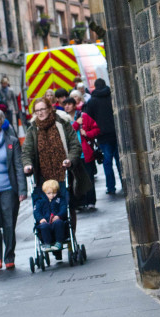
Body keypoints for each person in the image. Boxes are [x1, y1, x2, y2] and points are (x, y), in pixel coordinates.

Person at [21, 98, 92, 226]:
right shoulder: (33, 130)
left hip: (63, 174)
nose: (40, 113)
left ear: (49, 109)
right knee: (46, 207)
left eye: (42, 109)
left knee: (67, 206)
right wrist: (27, 164)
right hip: (44, 178)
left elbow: (75, 145)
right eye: (37, 111)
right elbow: (27, 151)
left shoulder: (62, 124)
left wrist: (69, 160)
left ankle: (70, 237)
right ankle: (52, 236)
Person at [0, 106, 26, 270]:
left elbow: (18, 167)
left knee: (8, 223)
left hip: (8, 188)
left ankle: (9, 257)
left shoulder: (11, 141)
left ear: (2, 121)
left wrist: (22, 190)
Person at [83, 78, 122, 195]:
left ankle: (111, 187)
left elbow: (89, 119)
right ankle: (125, 183)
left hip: (102, 135)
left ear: (95, 87)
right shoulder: (112, 97)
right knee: (119, 161)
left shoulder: (92, 101)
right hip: (116, 133)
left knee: (107, 162)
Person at [64, 97, 98, 209]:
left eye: (69, 104)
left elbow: (96, 129)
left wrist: (87, 133)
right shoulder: (64, 120)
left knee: (89, 177)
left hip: (85, 153)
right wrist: (76, 124)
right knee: (77, 179)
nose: (67, 106)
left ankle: (91, 201)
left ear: (74, 105)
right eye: (65, 105)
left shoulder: (84, 116)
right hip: (73, 155)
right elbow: (66, 135)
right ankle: (81, 202)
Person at [33, 178, 68, 249]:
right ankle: (47, 243)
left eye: (54, 193)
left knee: (59, 223)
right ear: (44, 192)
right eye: (49, 193)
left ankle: (59, 242)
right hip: (45, 221)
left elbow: (63, 208)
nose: (52, 195)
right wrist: (40, 219)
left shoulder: (60, 199)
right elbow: (36, 211)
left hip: (56, 221)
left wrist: (59, 216)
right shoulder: (40, 201)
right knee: (43, 226)